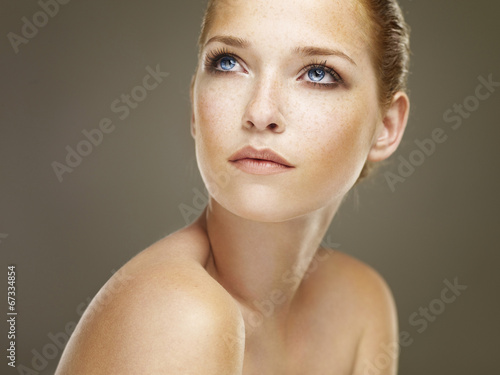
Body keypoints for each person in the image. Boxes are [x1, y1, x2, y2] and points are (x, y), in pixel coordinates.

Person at [56, 0, 410, 373]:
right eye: (228, 63)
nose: (260, 113)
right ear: (194, 104)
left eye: (318, 73)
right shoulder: (178, 313)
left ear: (385, 128)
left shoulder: (360, 302)